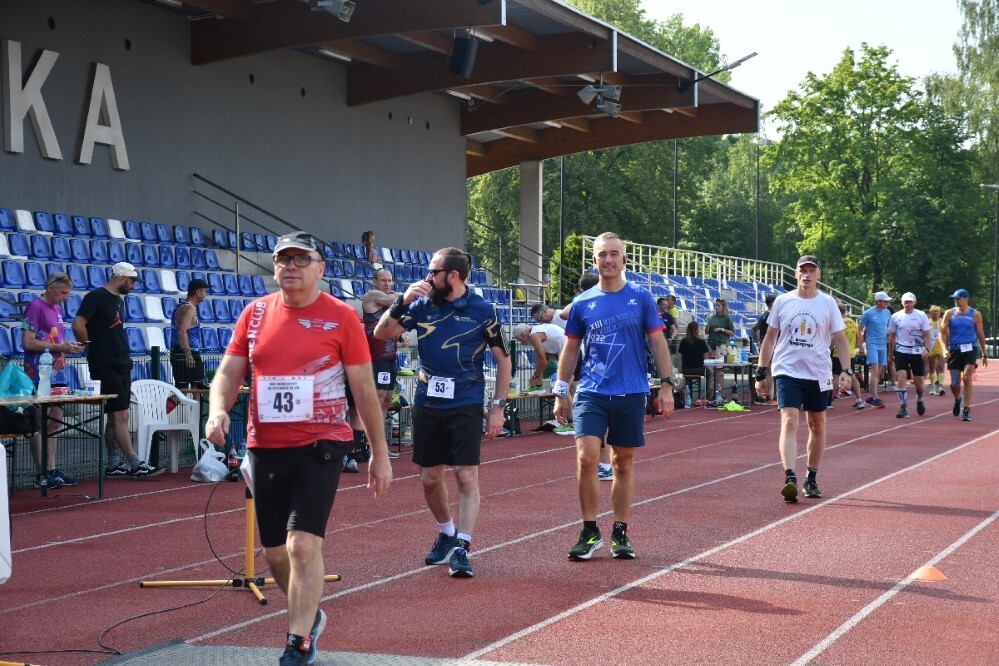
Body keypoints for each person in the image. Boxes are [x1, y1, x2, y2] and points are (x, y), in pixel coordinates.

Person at [205, 231, 392, 666]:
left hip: (321, 445)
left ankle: (298, 640)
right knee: (274, 553)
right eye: (282, 258)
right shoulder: (254, 315)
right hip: (265, 445)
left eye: (300, 259)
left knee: (302, 546)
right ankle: (310, 613)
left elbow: (363, 390)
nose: (290, 265)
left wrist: (378, 453)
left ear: (319, 269)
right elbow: (228, 374)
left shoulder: (341, 317)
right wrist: (217, 412)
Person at [374, 247, 511, 579]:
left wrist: (498, 408)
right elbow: (381, 333)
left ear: (453, 275)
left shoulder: (482, 309)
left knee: (465, 475)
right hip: (428, 402)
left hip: (465, 400)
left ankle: (463, 545)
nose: (427, 277)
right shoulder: (422, 304)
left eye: (433, 271)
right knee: (429, 478)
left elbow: (503, 361)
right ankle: (447, 531)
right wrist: (402, 300)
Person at [552, 232, 674, 561]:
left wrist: (666, 385)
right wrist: (560, 390)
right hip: (591, 390)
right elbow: (571, 347)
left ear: (623, 259)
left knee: (622, 464)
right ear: (595, 260)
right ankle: (589, 530)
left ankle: (620, 530)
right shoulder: (582, 303)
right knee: (587, 457)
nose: (608, 259)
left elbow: (658, 343)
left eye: (614, 254)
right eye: (602, 254)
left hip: (631, 390)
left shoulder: (641, 297)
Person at [754, 256, 852, 504]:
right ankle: (790, 477)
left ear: (818, 274)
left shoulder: (828, 303)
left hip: (818, 372)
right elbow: (769, 338)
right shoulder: (783, 302)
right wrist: (761, 372)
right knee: (789, 421)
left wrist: (846, 371)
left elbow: (840, 339)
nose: (807, 275)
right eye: (803, 270)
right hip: (787, 370)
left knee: (817, 424)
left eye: (811, 270)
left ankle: (811, 476)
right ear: (796, 274)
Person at [71, 262, 160, 478]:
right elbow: (77, 325)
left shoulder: (118, 300)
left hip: (120, 360)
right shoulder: (96, 297)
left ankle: (112, 463)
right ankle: (134, 462)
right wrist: (90, 346)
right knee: (120, 413)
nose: (133, 285)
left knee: (115, 415)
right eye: (131, 281)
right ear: (121, 277)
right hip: (105, 362)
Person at [22, 272, 85, 489]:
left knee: (55, 421)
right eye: (63, 292)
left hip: (58, 372)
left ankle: (51, 469)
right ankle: (42, 473)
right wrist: (60, 347)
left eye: (68, 293)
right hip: (39, 373)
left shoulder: (57, 309)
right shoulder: (35, 307)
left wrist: (68, 347)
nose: (66, 297)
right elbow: (28, 343)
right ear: (50, 287)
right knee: (40, 421)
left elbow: (54, 338)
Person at [358, 267, 403, 460]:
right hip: (374, 358)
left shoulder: (389, 300)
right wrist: (400, 294)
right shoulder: (370, 296)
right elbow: (395, 300)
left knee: (386, 400)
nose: (387, 284)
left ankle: (379, 446)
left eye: (390, 280)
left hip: (389, 357)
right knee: (376, 399)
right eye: (383, 280)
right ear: (375, 282)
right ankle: (366, 445)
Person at [939, 288, 988, 422]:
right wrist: (944, 349)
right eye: (954, 298)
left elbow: (980, 334)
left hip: (970, 349)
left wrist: (984, 353)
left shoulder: (975, 314)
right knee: (954, 385)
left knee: (967, 377)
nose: (955, 300)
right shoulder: (949, 313)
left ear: (966, 299)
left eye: (958, 298)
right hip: (955, 350)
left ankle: (966, 409)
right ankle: (957, 399)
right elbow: (941, 333)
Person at [887, 292, 931, 419]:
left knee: (919, 383)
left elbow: (927, 334)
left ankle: (919, 398)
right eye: (906, 301)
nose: (908, 304)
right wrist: (891, 354)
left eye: (910, 301)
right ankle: (903, 407)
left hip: (917, 351)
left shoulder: (921, 315)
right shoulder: (896, 316)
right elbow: (892, 336)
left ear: (914, 302)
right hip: (901, 350)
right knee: (901, 377)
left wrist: (926, 349)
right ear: (902, 302)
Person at [169, 278, 211, 389]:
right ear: (198, 292)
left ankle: (164, 407)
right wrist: (189, 355)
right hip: (188, 353)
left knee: (185, 390)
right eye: (204, 291)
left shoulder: (180, 306)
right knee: (197, 389)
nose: (205, 295)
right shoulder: (189, 309)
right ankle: (163, 407)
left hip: (178, 352)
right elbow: (181, 332)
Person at [858, 292, 891, 408]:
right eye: (885, 301)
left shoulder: (887, 313)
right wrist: (860, 345)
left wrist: (889, 336)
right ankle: (875, 397)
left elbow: (888, 328)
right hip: (872, 344)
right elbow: (859, 329)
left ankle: (870, 396)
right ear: (878, 302)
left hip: (883, 345)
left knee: (879, 372)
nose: (887, 303)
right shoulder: (868, 313)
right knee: (875, 370)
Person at [831, 300, 865, 410]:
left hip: (838, 354)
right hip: (850, 354)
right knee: (852, 376)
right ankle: (859, 399)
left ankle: (829, 401)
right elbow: (858, 338)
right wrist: (857, 347)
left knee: (835, 376)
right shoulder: (852, 322)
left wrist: (828, 350)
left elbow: (835, 339)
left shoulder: (839, 322)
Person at [512, 322, 566, 389]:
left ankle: (538, 386)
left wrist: (534, 377)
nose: (521, 343)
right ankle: (539, 386)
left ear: (523, 335)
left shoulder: (533, 336)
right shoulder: (537, 330)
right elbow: (544, 361)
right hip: (567, 351)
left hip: (570, 352)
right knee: (537, 354)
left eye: (520, 340)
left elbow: (543, 362)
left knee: (565, 389)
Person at [705, 299, 734, 405]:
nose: (716, 307)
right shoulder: (712, 317)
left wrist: (722, 329)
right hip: (712, 344)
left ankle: (720, 393)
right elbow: (707, 331)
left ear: (723, 307)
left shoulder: (726, 318)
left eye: (718, 305)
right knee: (712, 369)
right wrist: (707, 325)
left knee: (718, 369)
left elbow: (732, 332)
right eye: (715, 305)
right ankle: (713, 392)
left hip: (721, 345)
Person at [751, 293, 778, 402]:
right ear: (773, 304)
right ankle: (768, 395)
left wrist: (758, 344)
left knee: (768, 370)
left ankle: (767, 394)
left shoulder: (763, 316)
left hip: (766, 344)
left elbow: (753, 329)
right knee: (770, 371)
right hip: (770, 345)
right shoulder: (771, 316)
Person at [677, 320, 709, 407]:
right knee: (710, 373)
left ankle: (683, 392)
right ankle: (708, 394)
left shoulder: (683, 341)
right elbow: (706, 359)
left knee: (687, 378)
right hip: (699, 369)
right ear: (697, 330)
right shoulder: (702, 342)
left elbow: (682, 357)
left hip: (686, 369)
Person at [927, 305, 946, 395]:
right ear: (930, 313)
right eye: (934, 311)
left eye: (937, 311)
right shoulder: (927, 322)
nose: (935, 313)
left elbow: (947, 333)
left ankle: (940, 385)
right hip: (931, 348)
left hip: (940, 348)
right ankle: (932, 386)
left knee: (941, 367)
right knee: (932, 367)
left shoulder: (942, 321)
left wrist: (947, 346)